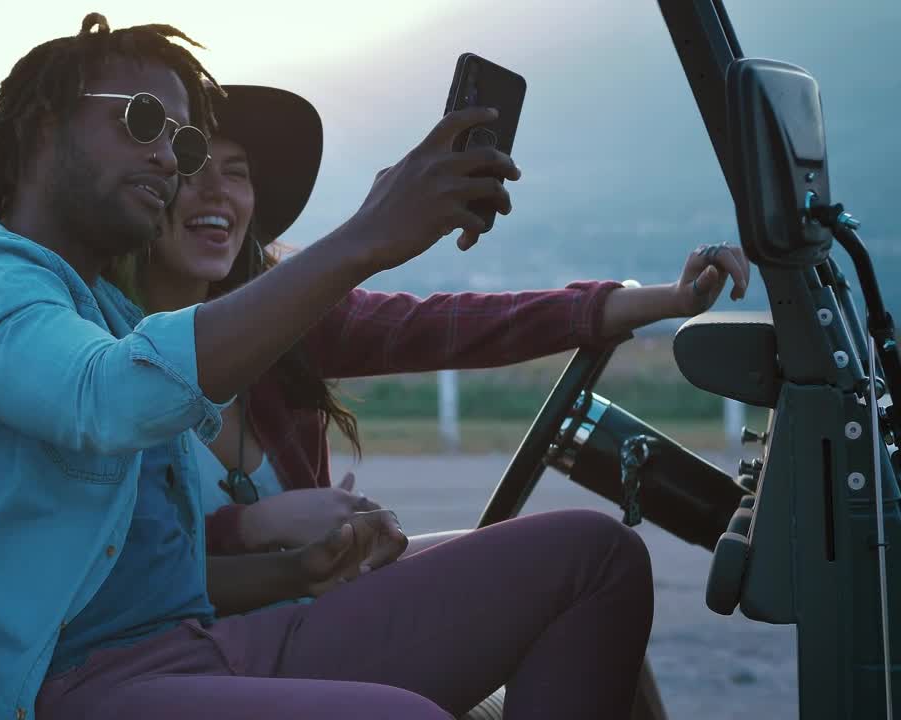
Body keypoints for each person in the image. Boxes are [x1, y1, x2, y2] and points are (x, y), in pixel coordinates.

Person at [0, 14, 667, 720]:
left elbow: (158, 575)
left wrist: (298, 568)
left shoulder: (104, 315)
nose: (170, 162)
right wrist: (363, 239)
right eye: (143, 121)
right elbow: (105, 398)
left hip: (203, 648)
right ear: (43, 127)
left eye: (181, 142)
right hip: (79, 688)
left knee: (594, 560)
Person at [113, 84, 752, 557]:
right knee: (582, 558)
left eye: (239, 174)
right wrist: (261, 529)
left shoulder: (296, 323)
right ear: (147, 190)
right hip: (221, 638)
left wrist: (670, 298)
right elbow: (128, 562)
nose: (218, 191)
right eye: (192, 168)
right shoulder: (98, 357)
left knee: (590, 567)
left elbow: (465, 323)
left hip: (328, 592)